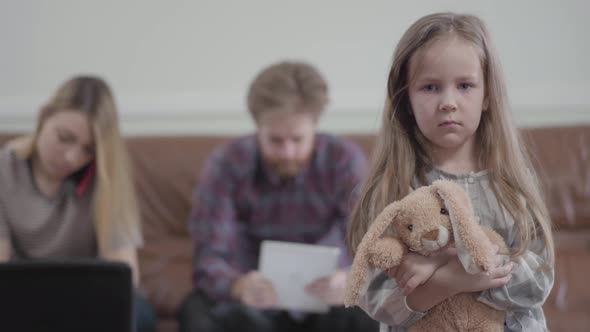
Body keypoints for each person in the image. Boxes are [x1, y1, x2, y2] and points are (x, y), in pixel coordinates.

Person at [346, 12, 555, 332]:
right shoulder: (392, 187)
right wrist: (451, 281)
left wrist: (444, 265)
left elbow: (537, 281)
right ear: (406, 98)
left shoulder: (512, 182)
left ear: (487, 95)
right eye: (430, 87)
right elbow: (375, 297)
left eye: (465, 85)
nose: (448, 102)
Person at [178, 61, 379, 332]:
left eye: (297, 140)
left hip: (326, 306)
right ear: (257, 127)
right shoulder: (227, 164)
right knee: (195, 310)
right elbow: (209, 257)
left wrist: (349, 279)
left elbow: (370, 246)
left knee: (370, 313)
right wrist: (238, 286)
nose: (287, 153)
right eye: (275, 140)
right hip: (251, 306)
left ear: (315, 125)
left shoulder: (344, 161)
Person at [0, 76, 157, 332]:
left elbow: (125, 277)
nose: (72, 158)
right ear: (43, 118)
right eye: (64, 138)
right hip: (22, 299)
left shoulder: (108, 179)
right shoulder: (4, 170)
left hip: (89, 302)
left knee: (139, 313)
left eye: (88, 149)